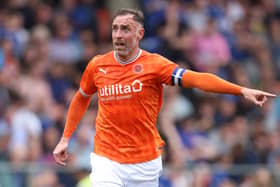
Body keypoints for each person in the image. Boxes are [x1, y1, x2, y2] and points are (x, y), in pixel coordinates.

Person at [53, 8, 276, 187]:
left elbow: (197, 79)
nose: (118, 35)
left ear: (139, 34)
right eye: (115, 29)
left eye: (125, 29)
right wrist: (65, 138)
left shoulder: (155, 65)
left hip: (145, 162)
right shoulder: (97, 65)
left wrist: (241, 90)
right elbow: (81, 97)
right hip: (107, 158)